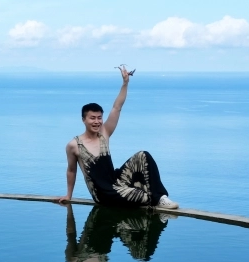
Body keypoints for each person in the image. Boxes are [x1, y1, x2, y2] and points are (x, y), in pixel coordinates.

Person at [56, 66, 178, 209]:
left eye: (99, 118)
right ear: (84, 120)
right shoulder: (74, 145)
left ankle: (161, 198)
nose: (96, 121)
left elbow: (117, 107)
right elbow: (71, 170)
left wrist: (125, 83)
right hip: (103, 193)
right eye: (92, 118)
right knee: (143, 195)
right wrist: (68, 195)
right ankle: (152, 197)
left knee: (143, 155)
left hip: (116, 182)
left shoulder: (104, 133)